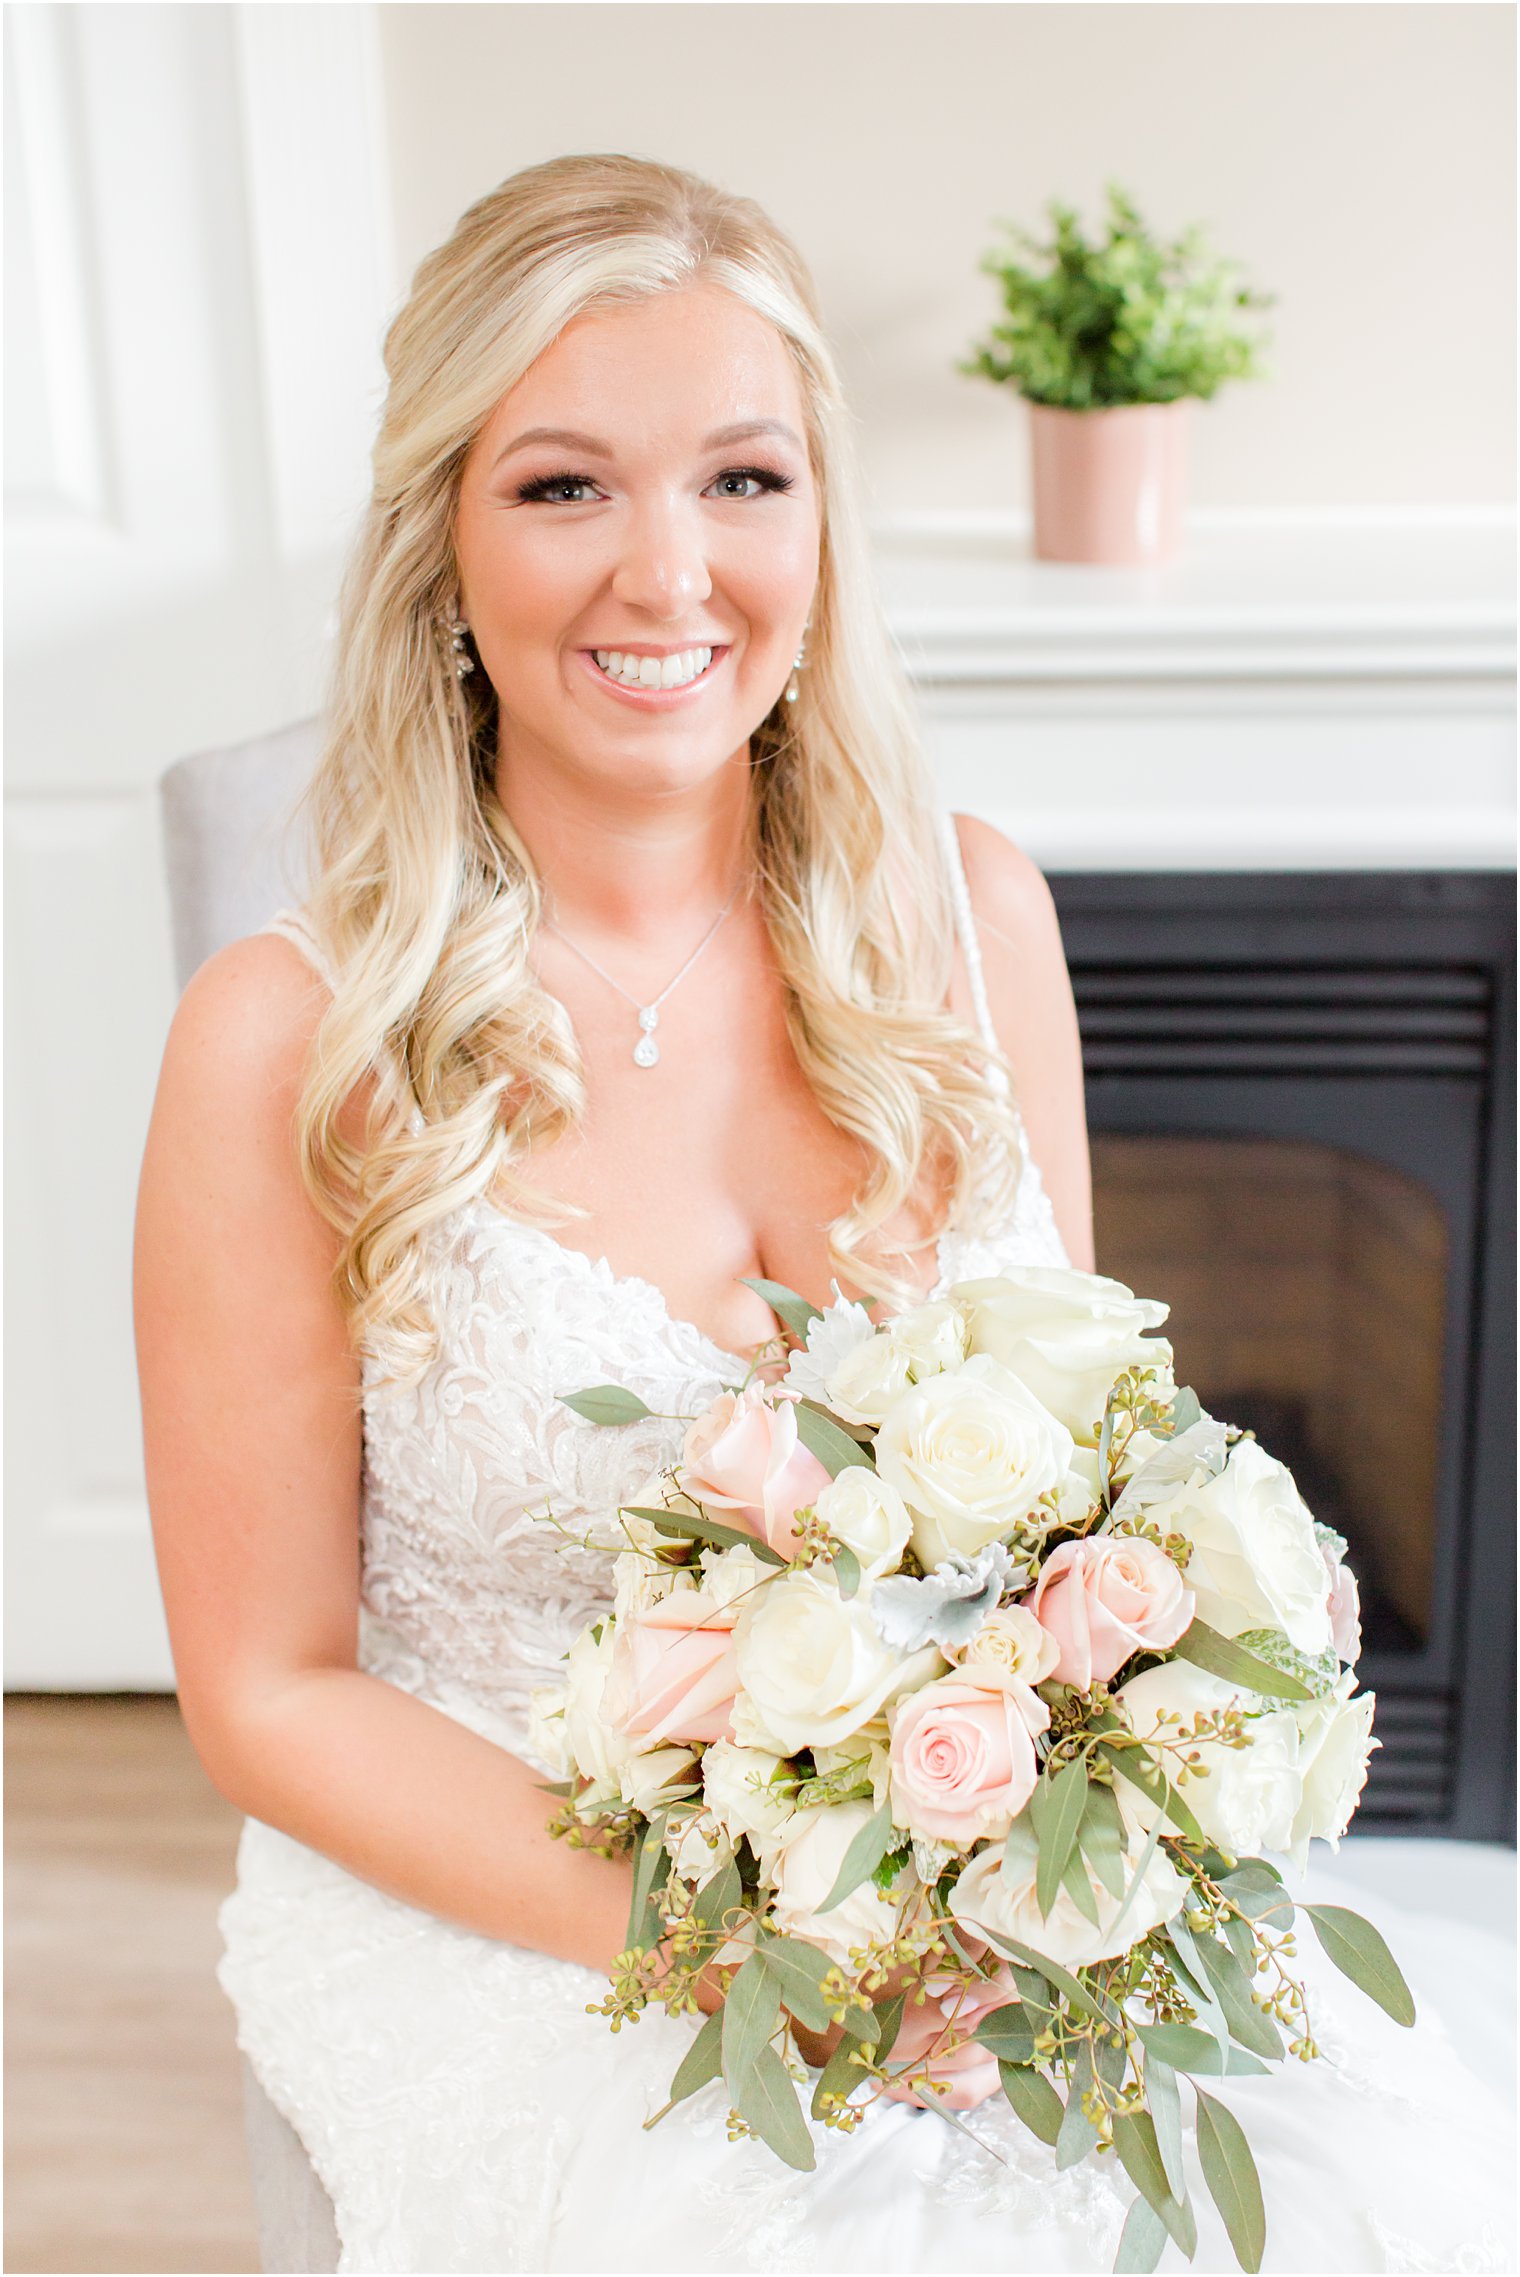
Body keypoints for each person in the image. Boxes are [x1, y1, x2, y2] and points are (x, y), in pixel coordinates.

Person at [134, 156, 1512, 2276]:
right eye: (565, 485)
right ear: (443, 541)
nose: (667, 573)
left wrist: (1047, 1849)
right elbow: (271, 1689)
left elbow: (1086, 1495)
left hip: (977, 1897)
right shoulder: (286, 1038)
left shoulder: (972, 922)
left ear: (821, 526)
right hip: (522, 1899)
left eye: (743, 480)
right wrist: (753, 1935)